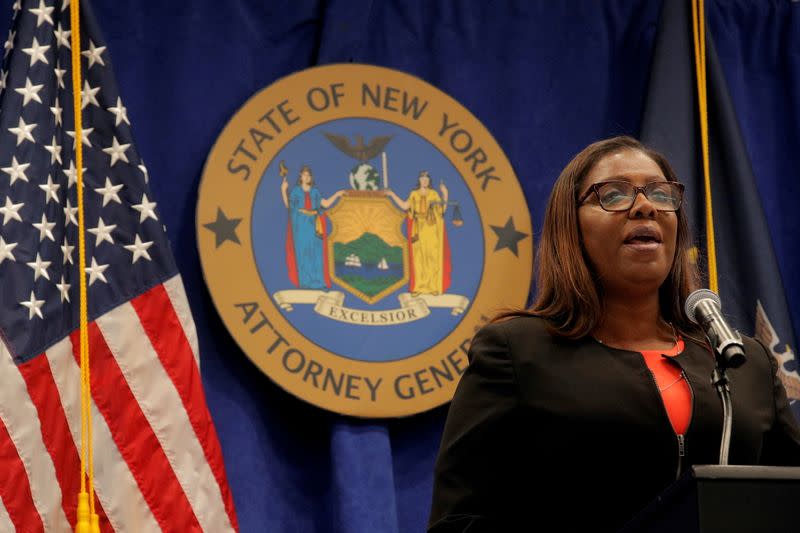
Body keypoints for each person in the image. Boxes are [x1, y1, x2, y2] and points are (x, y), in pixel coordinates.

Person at [427, 136, 800, 532]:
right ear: (571, 226)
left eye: (660, 193)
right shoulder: (517, 353)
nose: (645, 206)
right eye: (614, 194)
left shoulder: (744, 362)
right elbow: (456, 523)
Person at [386, 171, 452, 295]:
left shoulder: (434, 194)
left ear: (429, 181)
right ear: (420, 180)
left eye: (427, 178)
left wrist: (445, 193)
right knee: (419, 258)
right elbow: (405, 206)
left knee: (432, 256)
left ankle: (433, 286)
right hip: (418, 229)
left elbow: (442, 210)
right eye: (422, 178)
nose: (425, 180)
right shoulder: (414, 194)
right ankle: (419, 287)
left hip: (431, 228)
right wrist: (392, 194)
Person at [281, 165, 344, 289]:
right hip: (301, 225)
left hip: (315, 225)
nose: (307, 177)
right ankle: (305, 282)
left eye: (309, 175)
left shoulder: (315, 191)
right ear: (300, 176)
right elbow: (289, 206)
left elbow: (325, 203)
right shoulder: (296, 191)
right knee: (303, 252)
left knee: (316, 253)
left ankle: (317, 282)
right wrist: (283, 190)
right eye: (305, 175)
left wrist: (337, 194)